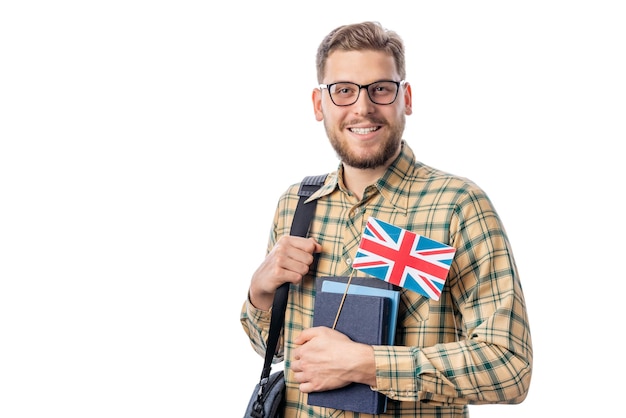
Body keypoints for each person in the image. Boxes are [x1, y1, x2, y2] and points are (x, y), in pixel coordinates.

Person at [240, 21, 533, 417]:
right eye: (343, 90)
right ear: (318, 104)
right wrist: (260, 293)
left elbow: (509, 366)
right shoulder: (297, 204)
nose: (362, 107)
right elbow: (276, 349)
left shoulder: (457, 206)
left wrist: (367, 364)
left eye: (380, 88)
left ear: (405, 97)